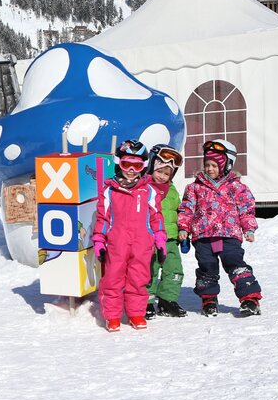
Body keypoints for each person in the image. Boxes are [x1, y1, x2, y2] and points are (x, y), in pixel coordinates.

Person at [178, 139, 262, 317]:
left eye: (215, 165)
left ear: (226, 165)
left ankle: (249, 298)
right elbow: (187, 208)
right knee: (207, 266)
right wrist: (183, 228)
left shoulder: (237, 187)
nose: (209, 169)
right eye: (207, 164)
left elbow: (246, 209)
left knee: (234, 262)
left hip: (228, 235)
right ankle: (208, 299)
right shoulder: (194, 188)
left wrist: (249, 228)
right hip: (203, 236)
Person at [92, 140, 166, 332]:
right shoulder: (109, 191)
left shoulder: (149, 191)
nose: (131, 170)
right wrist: (99, 240)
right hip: (117, 244)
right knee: (112, 279)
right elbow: (103, 217)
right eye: (126, 164)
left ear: (144, 166)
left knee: (139, 278)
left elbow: (156, 217)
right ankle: (113, 316)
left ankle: (135, 313)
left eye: (137, 165)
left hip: (142, 244)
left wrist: (159, 239)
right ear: (119, 164)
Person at [144, 145, 187, 319]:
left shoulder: (172, 190)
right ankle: (146, 301)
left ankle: (167, 301)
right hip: (150, 238)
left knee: (174, 270)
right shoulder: (144, 188)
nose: (162, 176)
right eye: (159, 171)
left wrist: (183, 230)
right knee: (149, 271)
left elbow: (180, 210)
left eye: (167, 173)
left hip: (170, 239)